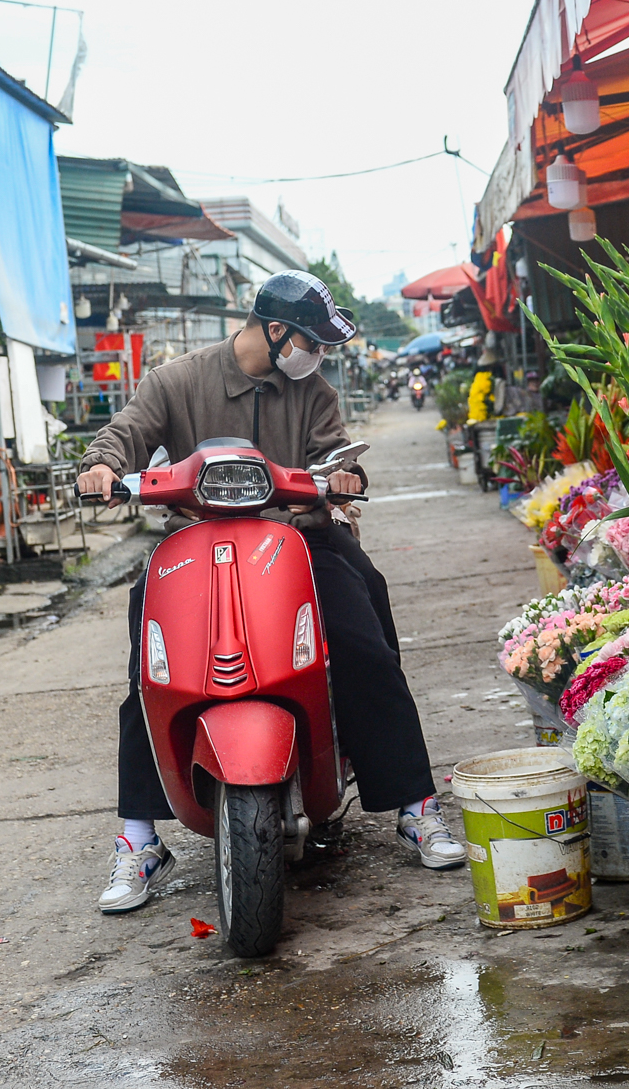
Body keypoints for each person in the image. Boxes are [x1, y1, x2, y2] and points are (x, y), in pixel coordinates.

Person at [76, 270, 465, 914]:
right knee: (148, 669)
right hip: (194, 542)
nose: (317, 355)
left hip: (296, 539)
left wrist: (343, 476)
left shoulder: (313, 391)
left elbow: (337, 454)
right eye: (311, 339)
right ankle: (139, 838)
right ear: (276, 329)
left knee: (365, 633)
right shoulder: (178, 380)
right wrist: (102, 467)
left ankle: (414, 804)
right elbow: (127, 431)